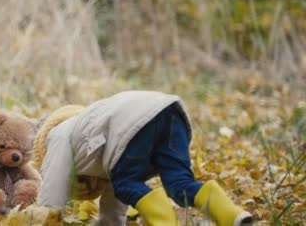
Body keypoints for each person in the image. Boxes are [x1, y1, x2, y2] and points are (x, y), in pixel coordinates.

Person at [33, 91, 253, 226]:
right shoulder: (97, 139)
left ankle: (163, 222)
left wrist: (46, 219)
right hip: (171, 112)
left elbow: (53, 183)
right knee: (180, 184)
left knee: (126, 184)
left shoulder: (57, 133)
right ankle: (231, 215)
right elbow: (113, 199)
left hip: (137, 121)